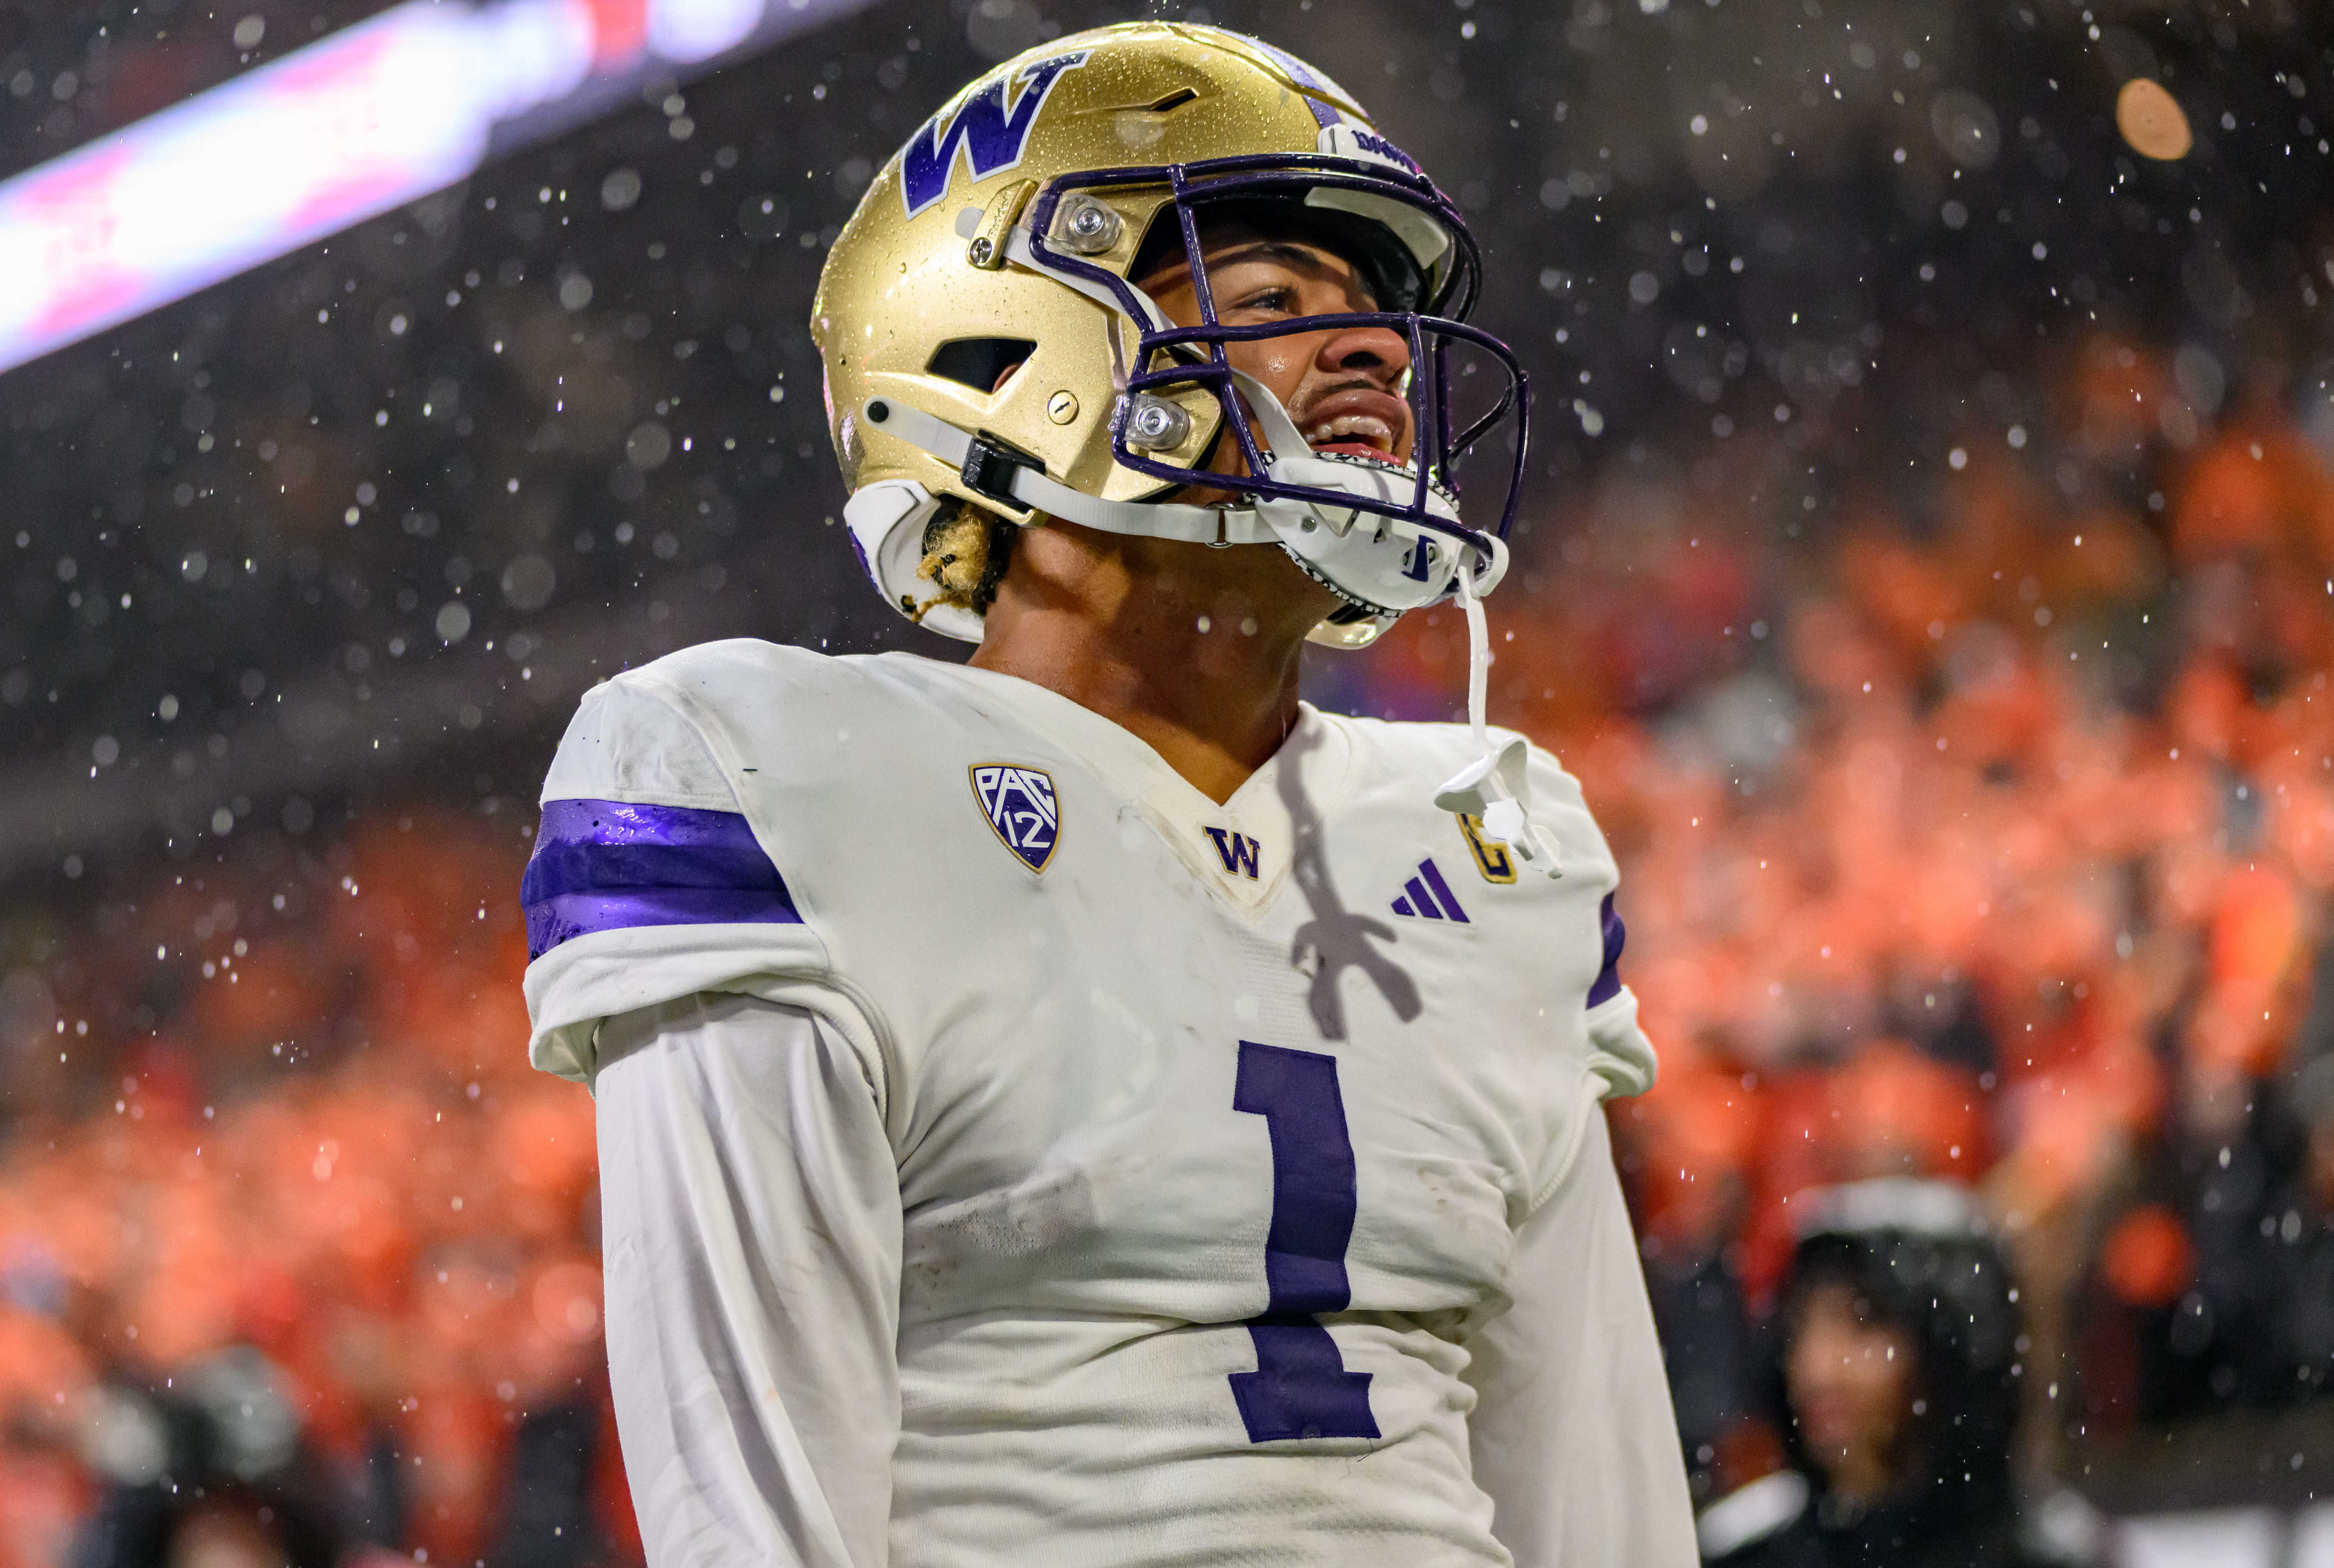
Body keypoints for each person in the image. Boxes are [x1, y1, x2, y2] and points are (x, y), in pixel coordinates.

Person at [521, 22, 1692, 1567]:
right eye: (1270, 297)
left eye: (1375, 315)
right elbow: (753, 1523)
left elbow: (1596, 1501)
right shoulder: (767, 774)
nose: (1370, 354)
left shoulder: (1496, 838)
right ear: (1004, 357)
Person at [1696, 1180, 2093, 1568]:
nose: (1817, 1370)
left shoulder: (2047, 1555)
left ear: (1952, 1345)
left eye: (1864, 1323)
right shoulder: (1746, 1555)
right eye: (1799, 1327)